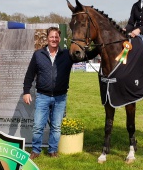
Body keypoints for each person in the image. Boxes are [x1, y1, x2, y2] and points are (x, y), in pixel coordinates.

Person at [23, 27, 100, 160]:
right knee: (37, 126)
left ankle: (53, 151)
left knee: (56, 127)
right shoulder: (38, 54)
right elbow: (29, 75)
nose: (54, 39)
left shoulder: (67, 54)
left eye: (56, 37)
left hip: (60, 97)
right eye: (51, 37)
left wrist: (99, 45)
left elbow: (87, 56)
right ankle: (36, 150)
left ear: (60, 39)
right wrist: (26, 91)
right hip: (42, 96)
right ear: (47, 38)